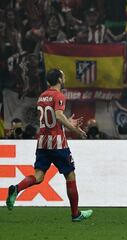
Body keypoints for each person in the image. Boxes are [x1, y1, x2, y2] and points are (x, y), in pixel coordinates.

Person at [6, 69, 93, 222]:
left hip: (42, 142)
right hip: (57, 144)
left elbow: (50, 118)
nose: (64, 77)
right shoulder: (59, 95)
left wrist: (68, 121)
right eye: (63, 75)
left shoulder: (42, 96)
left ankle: (17, 188)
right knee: (70, 175)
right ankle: (75, 214)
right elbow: (58, 115)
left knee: (38, 176)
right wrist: (75, 129)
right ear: (59, 79)